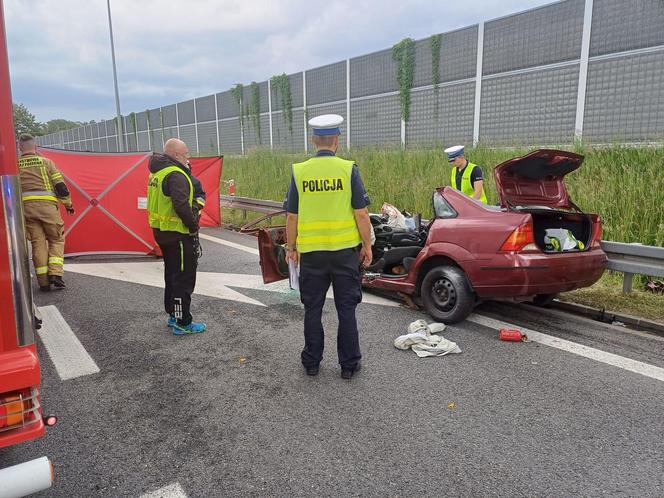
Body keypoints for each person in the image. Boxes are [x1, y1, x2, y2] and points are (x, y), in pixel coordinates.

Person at [284, 114, 373, 380]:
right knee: (346, 309)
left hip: (311, 254)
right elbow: (362, 214)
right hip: (345, 253)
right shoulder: (348, 169)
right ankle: (349, 365)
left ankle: (311, 362)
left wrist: (291, 248)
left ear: (314, 140)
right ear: (336, 140)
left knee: (312, 309)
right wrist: (367, 245)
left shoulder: (300, 172)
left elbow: (291, 217)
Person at [147, 138, 205, 336]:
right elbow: (182, 206)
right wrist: (193, 226)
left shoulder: (157, 172)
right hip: (179, 234)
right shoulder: (176, 175)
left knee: (171, 274)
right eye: (186, 153)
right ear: (177, 155)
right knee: (183, 278)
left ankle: (173, 313)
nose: (188, 157)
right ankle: (182, 321)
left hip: (162, 232)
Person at [17, 134, 74, 292]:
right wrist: (68, 204)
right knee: (56, 239)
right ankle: (56, 273)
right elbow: (61, 186)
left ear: (20, 147)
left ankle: (43, 282)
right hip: (47, 207)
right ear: (35, 146)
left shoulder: (15, 165)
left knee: (38, 243)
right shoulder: (46, 162)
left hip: (26, 210)